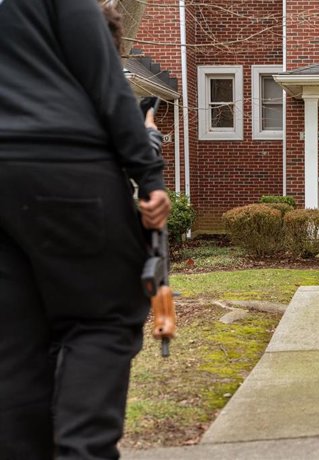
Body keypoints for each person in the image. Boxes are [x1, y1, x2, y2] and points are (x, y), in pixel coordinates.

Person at [0, 0, 171, 458]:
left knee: (16, 340)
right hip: (65, 168)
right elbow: (106, 78)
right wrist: (149, 178)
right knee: (103, 319)